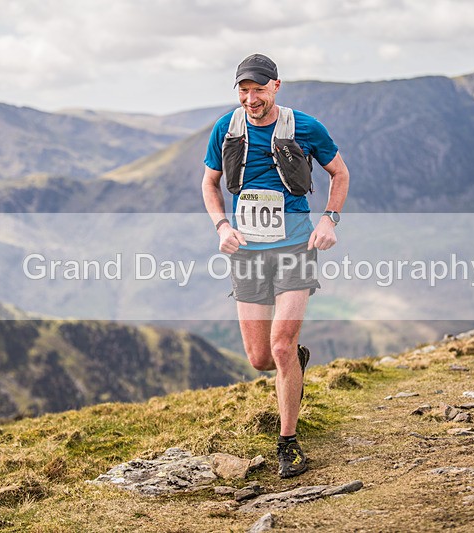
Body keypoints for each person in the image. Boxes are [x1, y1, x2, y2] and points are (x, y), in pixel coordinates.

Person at [201, 53, 350, 478]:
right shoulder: (225, 128)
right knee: (260, 358)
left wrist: (329, 219)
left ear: (276, 87)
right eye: (244, 90)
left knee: (281, 345)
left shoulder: (305, 127)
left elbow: (340, 174)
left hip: (295, 246)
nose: (251, 98)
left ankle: (289, 445)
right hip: (246, 252)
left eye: (259, 90)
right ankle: (295, 365)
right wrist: (221, 226)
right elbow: (209, 183)